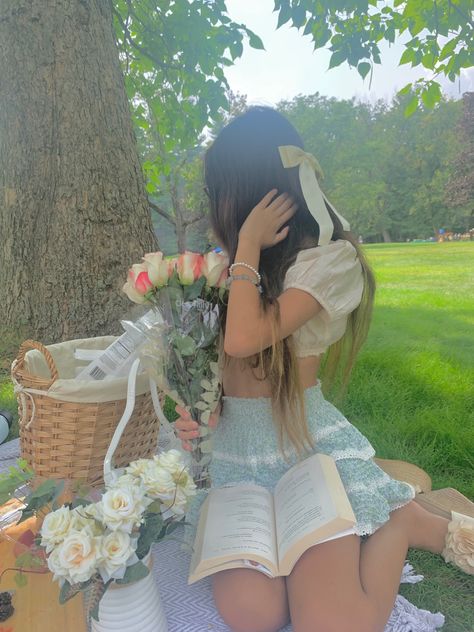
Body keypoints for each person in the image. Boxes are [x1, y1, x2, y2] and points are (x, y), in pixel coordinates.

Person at [174, 106, 474, 632]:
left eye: (220, 190)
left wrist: (245, 243)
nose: (212, 205)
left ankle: (397, 524)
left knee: (333, 625)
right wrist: (194, 404)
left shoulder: (325, 262)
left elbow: (245, 339)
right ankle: (380, 519)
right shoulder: (224, 272)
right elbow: (213, 361)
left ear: (257, 193)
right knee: (254, 614)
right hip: (237, 460)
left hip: (302, 452)